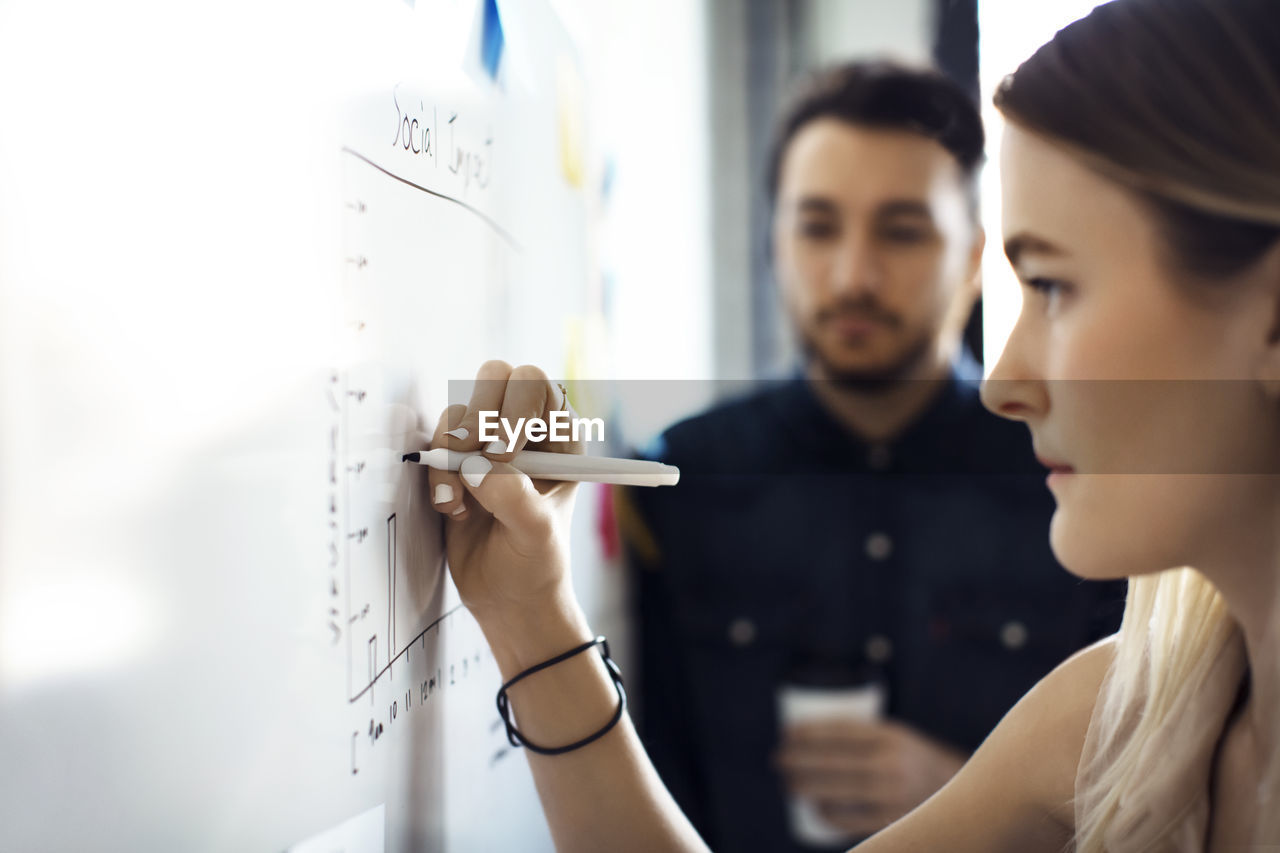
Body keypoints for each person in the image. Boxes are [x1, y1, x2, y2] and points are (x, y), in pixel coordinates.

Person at [422, 0, 1280, 848]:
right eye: (817, 226)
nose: (1005, 382)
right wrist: (531, 609)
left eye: (1053, 284)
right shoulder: (1126, 725)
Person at [620, 60, 1122, 852]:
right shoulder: (679, 480)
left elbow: (1153, 792)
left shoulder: (1072, 480)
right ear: (773, 244)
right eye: (818, 227)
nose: (854, 275)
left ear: (969, 259)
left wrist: (981, 799)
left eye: (901, 230)